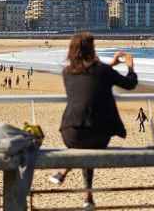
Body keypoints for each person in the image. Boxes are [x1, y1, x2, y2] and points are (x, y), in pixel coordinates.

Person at [49, 32, 138, 210]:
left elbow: (89, 77)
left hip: (70, 132)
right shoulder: (103, 71)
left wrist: (109, 65)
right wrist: (130, 66)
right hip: (98, 133)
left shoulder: (67, 73)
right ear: (92, 50)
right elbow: (130, 84)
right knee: (90, 142)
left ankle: (80, 188)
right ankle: (86, 195)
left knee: (82, 145)